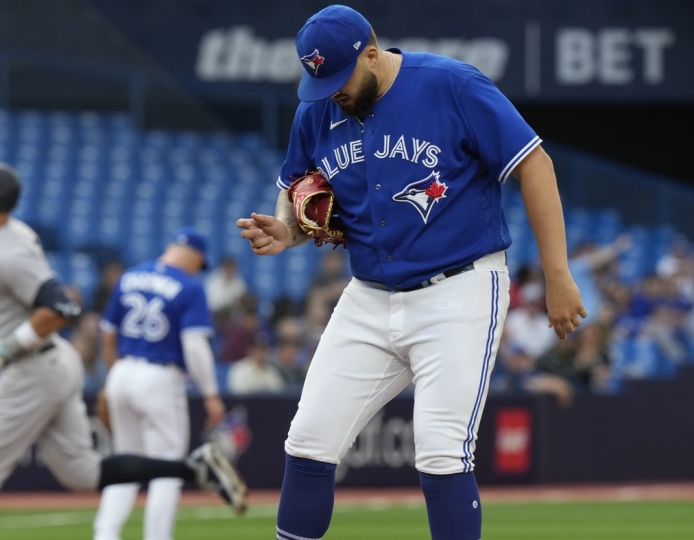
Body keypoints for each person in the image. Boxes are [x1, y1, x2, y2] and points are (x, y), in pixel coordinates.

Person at [235, 5, 586, 539]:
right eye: (320, 80)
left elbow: (534, 163)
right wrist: (287, 230)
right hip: (369, 294)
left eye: (338, 77)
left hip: (459, 288)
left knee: (442, 452)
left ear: (371, 54)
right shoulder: (318, 110)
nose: (331, 92)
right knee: (308, 440)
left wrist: (557, 274)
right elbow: (296, 191)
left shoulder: (452, 85)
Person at [0, 161, 247, 540]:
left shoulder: (9, 251)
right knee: (83, 473)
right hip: (58, 363)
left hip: (34, 369)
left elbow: (61, 308)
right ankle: (193, 469)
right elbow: (23, 301)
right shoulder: (14, 236)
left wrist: (5, 349)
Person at [93, 226, 228, 540]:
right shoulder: (189, 287)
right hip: (159, 376)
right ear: (194, 255)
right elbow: (195, 346)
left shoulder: (130, 276)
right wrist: (211, 394)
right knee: (167, 468)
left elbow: (108, 334)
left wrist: (113, 376)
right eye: (200, 262)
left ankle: (105, 534)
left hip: (122, 371)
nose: (198, 268)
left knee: (124, 461)